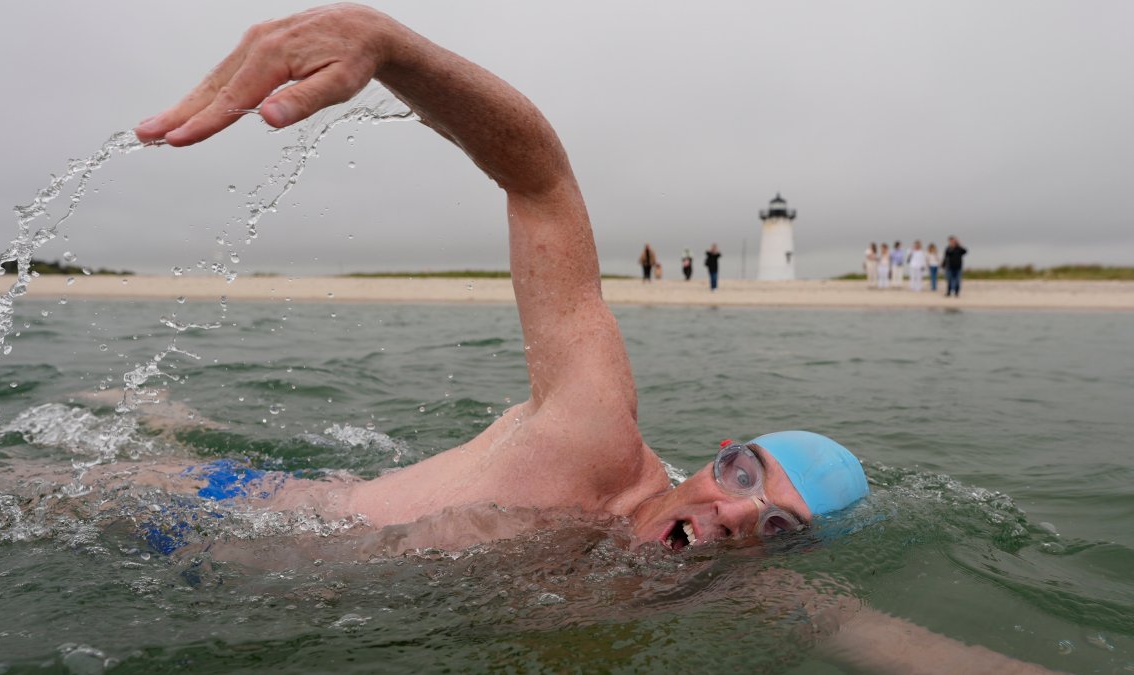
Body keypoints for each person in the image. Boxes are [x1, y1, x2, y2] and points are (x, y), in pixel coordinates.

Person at [132, 6, 1053, 671]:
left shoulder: (724, 581)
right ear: (717, 456)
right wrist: (391, 47)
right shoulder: (593, 439)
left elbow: (902, 645)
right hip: (214, 513)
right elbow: (539, 181)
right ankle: (156, 425)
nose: (737, 515)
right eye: (745, 478)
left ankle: (167, 416)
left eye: (774, 526)